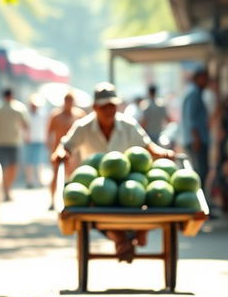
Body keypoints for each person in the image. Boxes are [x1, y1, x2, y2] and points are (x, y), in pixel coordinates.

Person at [51, 82, 174, 262]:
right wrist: (60, 152)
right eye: (104, 106)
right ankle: (120, 239)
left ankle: (140, 231)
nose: (109, 110)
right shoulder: (83, 126)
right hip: (96, 184)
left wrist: (161, 152)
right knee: (95, 205)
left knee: (151, 197)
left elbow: (147, 146)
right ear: (95, 107)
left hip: (129, 181)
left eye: (112, 105)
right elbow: (66, 146)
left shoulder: (128, 124)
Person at [0, 87, 29, 200]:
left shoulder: (2, 107)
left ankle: (7, 189)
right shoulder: (0, 108)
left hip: (8, 141)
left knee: (9, 167)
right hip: (5, 142)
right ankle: (5, 189)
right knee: (7, 167)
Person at [46, 92, 86, 210]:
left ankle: (73, 200)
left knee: (75, 176)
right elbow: (49, 133)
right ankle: (52, 200)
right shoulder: (56, 115)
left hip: (74, 152)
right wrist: (50, 148)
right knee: (55, 175)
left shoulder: (80, 115)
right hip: (59, 150)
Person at [181, 66, 210, 193]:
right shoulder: (194, 95)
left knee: (202, 172)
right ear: (198, 78)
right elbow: (191, 120)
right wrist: (196, 139)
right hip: (196, 141)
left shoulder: (196, 93)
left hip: (197, 139)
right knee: (200, 172)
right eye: (205, 78)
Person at [24, 94, 47, 189]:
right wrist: (25, 137)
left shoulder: (42, 114)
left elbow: (46, 127)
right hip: (29, 141)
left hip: (40, 140)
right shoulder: (26, 114)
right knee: (29, 162)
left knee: (40, 161)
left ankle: (40, 180)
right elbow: (23, 127)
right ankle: (30, 181)